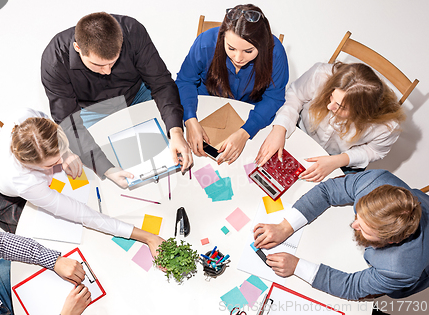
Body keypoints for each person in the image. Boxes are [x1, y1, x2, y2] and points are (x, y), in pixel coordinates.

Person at [0, 108, 163, 258]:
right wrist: (147, 237)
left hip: (7, 163)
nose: (59, 164)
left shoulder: (26, 118)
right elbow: (83, 214)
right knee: (45, 237)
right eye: (52, 164)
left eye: (61, 151)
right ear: (31, 165)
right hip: (2, 198)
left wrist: (66, 154)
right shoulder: (25, 182)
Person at [41, 12, 192, 173]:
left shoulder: (132, 31)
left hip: (137, 94)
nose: (107, 71)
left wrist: (176, 131)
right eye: (97, 64)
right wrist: (106, 169)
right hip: (92, 110)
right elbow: (69, 122)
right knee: (105, 161)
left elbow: (161, 83)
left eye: (113, 62)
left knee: (167, 142)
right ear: (77, 48)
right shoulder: (54, 61)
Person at [253, 169, 429, 300]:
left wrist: (297, 266)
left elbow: (352, 287)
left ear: (391, 240)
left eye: (365, 229)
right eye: (358, 216)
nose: (353, 225)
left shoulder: (400, 270)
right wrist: (285, 227)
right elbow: (327, 191)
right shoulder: (375, 181)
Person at [176, 4, 289, 164]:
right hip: (203, 106)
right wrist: (190, 119)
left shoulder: (276, 54)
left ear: (262, 45)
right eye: (231, 48)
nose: (238, 58)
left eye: (248, 51)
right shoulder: (206, 43)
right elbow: (185, 80)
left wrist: (245, 133)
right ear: (222, 37)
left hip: (250, 114)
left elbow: (274, 98)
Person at [256, 62, 406, 182]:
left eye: (341, 106)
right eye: (331, 97)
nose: (329, 106)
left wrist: (337, 161)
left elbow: (374, 151)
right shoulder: (321, 75)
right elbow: (295, 95)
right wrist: (280, 129)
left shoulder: (387, 126)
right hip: (300, 130)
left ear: (363, 112)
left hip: (339, 157)